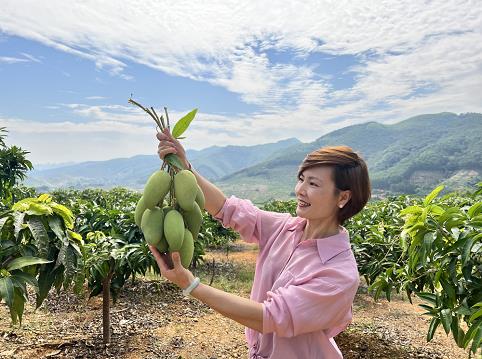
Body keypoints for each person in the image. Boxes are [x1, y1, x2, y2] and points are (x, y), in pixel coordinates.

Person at [152, 128, 371, 359]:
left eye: (313, 184)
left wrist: (191, 285)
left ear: (343, 197)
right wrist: (185, 167)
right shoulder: (285, 228)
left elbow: (269, 317)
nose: (300, 190)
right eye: (301, 179)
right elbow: (227, 209)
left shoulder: (339, 274)